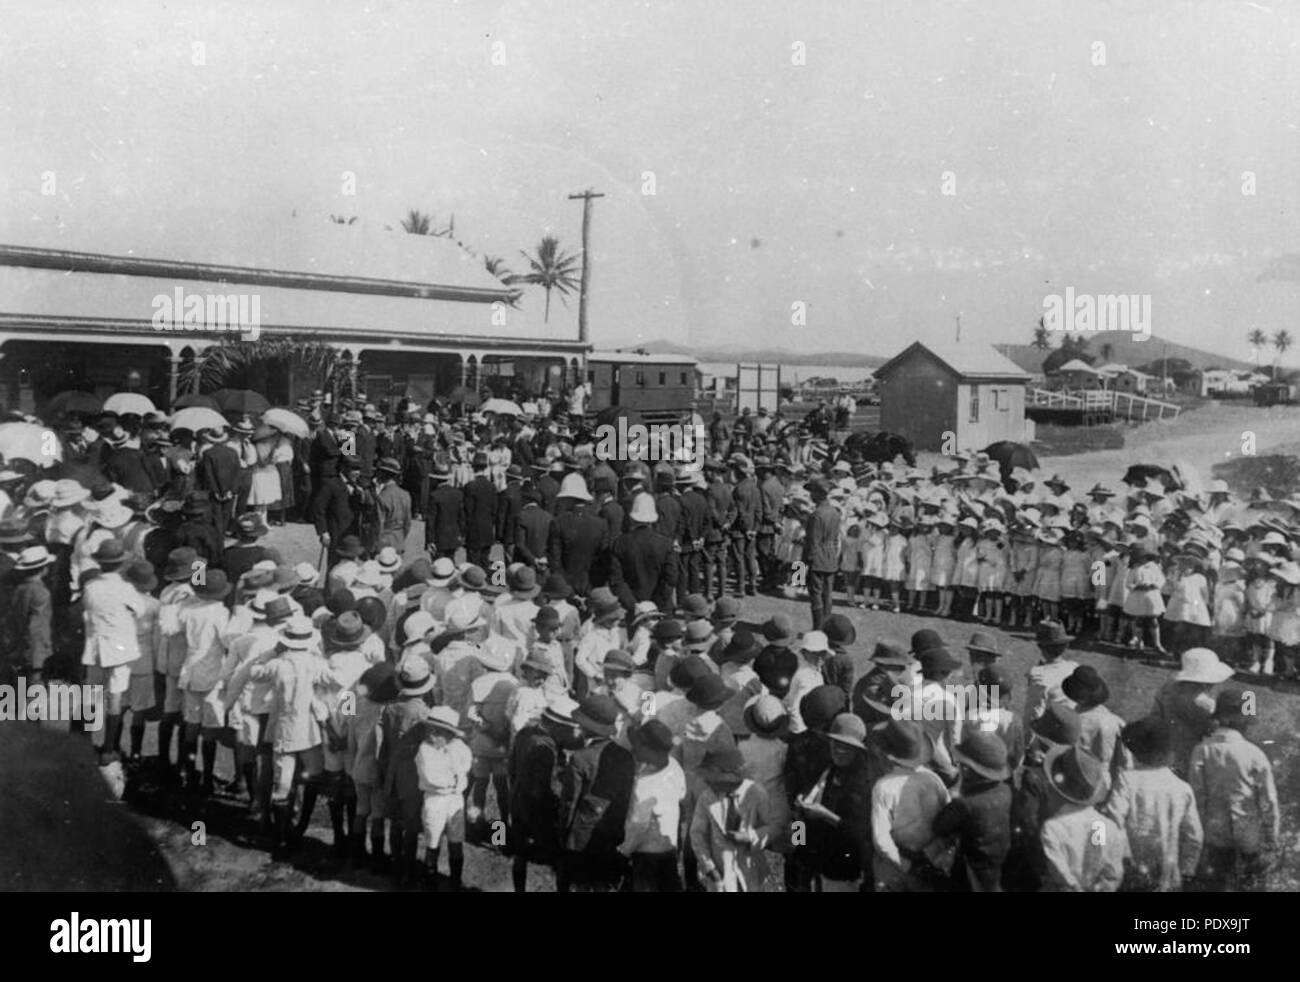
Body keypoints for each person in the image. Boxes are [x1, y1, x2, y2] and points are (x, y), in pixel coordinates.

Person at [1187, 688, 1279, 891]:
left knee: (1215, 882)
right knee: (1251, 883)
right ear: (1245, 723)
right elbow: (1268, 800)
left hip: (1214, 831)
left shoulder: (1202, 750)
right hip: (1248, 831)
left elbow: (1197, 794)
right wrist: (1271, 837)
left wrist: (1198, 829)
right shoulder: (1255, 754)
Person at [1102, 717, 1203, 892]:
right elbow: (1194, 835)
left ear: (1136, 752)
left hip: (1131, 868)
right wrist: (1188, 868)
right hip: (1169, 872)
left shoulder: (1127, 780)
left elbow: (1113, 819)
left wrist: (1120, 855)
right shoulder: (1181, 787)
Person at [556, 694, 636, 892]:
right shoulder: (626, 757)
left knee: (578, 883)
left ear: (585, 726)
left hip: (581, 836)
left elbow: (569, 802)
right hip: (613, 832)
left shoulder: (580, 759)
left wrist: (562, 831)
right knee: (603, 884)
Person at [868, 718, 952, 891]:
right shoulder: (933, 779)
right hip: (930, 862)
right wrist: (929, 856)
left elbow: (881, 839)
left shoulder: (884, 787)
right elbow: (949, 820)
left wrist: (906, 865)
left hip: (895, 869)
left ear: (886, 754)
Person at [689, 744, 780, 892]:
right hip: (720, 869)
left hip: (750, 869)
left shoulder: (756, 794)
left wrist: (749, 836)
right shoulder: (707, 798)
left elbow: (773, 828)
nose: (707, 782)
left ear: (729, 778)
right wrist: (710, 868)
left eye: (712, 779)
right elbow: (697, 835)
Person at [1038, 746, 1127, 892]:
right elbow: (1113, 873)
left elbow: (1059, 871)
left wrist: (1074, 886)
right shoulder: (1106, 826)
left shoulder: (1052, 828)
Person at [933, 731, 1012, 892]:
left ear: (968, 770)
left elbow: (939, 827)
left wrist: (955, 792)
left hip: (974, 867)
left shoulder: (964, 804)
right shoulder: (1006, 790)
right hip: (998, 859)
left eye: (961, 765)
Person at [620, 719, 687, 891]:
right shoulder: (675, 768)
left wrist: (623, 852)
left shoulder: (645, 786)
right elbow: (681, 796)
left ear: (650, 750)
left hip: (645, 855)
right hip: (669, 847)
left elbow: (638, 827)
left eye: (638, 746)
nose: (633, 749)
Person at [1151, 647, 1233, 778]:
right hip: (1189, 755)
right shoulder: (1204, 704)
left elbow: (1155, 715)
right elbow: (1215, 732)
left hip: (1165, 747)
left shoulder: (1167, 688)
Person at [415, 705, 472, 890]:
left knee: (456, 840)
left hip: (455, 800)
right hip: (435, 799)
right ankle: (429, 879)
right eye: (430, 730)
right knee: (433, 838)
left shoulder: (460, 748)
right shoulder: (425, 749)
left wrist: (456, 779)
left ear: (450, 734)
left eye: (438, 732)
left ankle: (456, 880)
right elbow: (432, 777)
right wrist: (453, 780)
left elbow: (464, 770)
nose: (432, 735)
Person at [802, 479, 841, 630]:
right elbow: (835, 539)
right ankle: (825, 628)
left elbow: (813, 543)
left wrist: (803, 566)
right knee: (827, 595)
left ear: (819, 494)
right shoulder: (835, 512)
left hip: (817, 560)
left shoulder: (816, 515)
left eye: (812, 492)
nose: (810, 495)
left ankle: (817, 628)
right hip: (830, 558)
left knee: (816, 595)